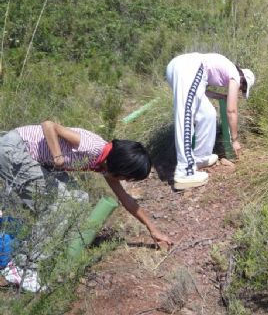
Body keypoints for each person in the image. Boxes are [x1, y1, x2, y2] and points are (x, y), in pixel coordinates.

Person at [0, 121, 173, 291]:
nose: (125, 181)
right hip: (13, 151)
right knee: (63, 204)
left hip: (26, 157)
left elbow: (126, 199)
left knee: (78, 198)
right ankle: (22, 265)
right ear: (121, 167)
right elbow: (48, 125)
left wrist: (152, 228)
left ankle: (48, 249)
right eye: (127, 177)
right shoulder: (92, 147)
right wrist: (58, 157)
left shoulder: (104, 162)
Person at [166, 53, 255, 190]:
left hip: (186, 69)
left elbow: (200, 90)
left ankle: (201, 157)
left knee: (208, 114)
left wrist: (220, 96)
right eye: (242, 88)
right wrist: (235, 140)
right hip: (187, 67)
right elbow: (232, 111)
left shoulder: (226, 70)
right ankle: (184, 171)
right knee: (185, 114)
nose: (240, 90)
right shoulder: (235, 76)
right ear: (242, 78)